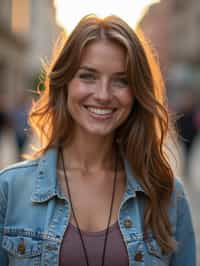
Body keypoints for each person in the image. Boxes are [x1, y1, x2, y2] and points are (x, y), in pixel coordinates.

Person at [0, 14, 196, 266]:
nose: (103, 94)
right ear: (65, 83)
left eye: (121, 81)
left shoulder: (168, 196)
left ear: (137, 92)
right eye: (88, 76)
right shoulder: (9, 190)